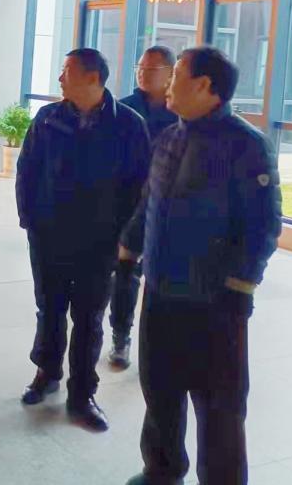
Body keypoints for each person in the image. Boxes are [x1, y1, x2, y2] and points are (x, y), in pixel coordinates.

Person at [121, 47, 281, 485]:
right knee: (160, 389)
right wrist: (129, 248)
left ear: (205, 86)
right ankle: (162, 468)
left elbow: (263, 226)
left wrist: (239, 288)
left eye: (177, 75)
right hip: (160, 292)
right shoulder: (169, 138)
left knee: (219, 407)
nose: (168, 84)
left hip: (214, 302)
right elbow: (149, 201)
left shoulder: (245, 145)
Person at [16, 48, 149, 431]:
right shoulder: (48, 118)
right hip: (49, 234)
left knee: (89, 317)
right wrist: (30, 220)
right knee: (50, 308)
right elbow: (27, 170)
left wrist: (126, 238)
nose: (60, 78)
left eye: (67, 71)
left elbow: (140, 186)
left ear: (93, 78)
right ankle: (46, 372)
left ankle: (82, 394)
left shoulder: (128, 125)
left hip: (100, 241)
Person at [108, 45, 178, 369]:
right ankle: (120, 336)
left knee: (163, 280)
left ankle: (160, 346)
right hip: (128, 205)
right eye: (140, 67)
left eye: (151, 69)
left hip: (166, 209)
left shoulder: (180, 113)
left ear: (170, 74)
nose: (142, 74)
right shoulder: (123, 109)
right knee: (124, 274)